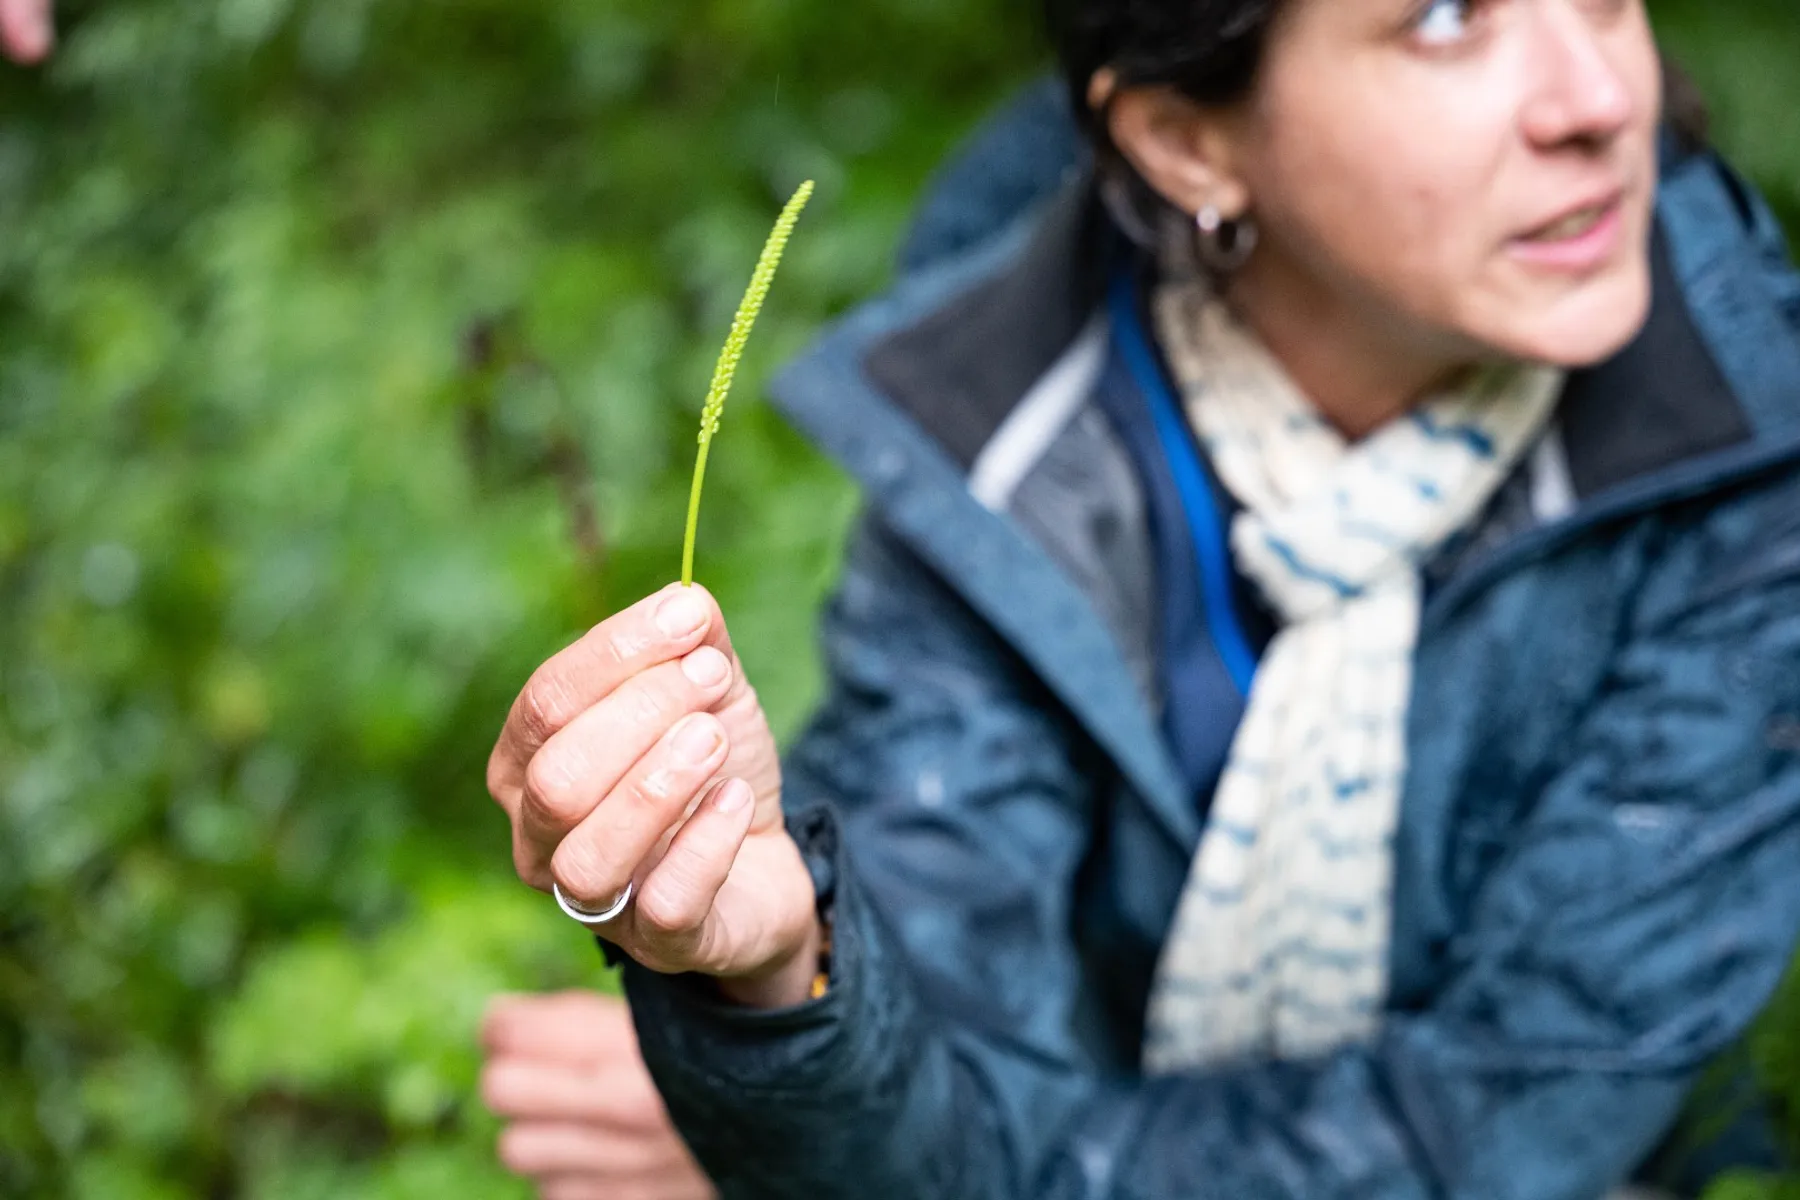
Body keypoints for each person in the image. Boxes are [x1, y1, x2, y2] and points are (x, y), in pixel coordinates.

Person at [485, 0, 1800, 1196]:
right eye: (1449, 19)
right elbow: (930, 1084)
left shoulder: (1745, 461)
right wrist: (785, 1004)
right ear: (1185, 141)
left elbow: (1509, 1132)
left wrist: (831, 1145)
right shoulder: (999, 446)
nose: (1600, 99)